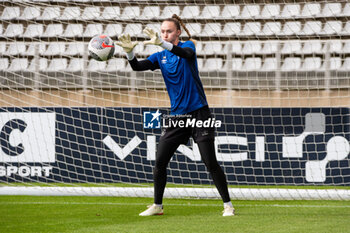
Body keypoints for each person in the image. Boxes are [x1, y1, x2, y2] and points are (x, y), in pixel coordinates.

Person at [116, 14, 235, 217]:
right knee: (160, 161)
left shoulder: (188, 46)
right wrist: (129, 52)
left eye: (168, 31)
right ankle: (157, 206)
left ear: (178, 32)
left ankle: (228, 205)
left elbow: (185, 53)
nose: (164, 34)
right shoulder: (159, 56)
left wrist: (162, 43)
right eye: (162, 31)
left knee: (210, 161)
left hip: (199, 113)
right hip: (178, 117)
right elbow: (137, 67)